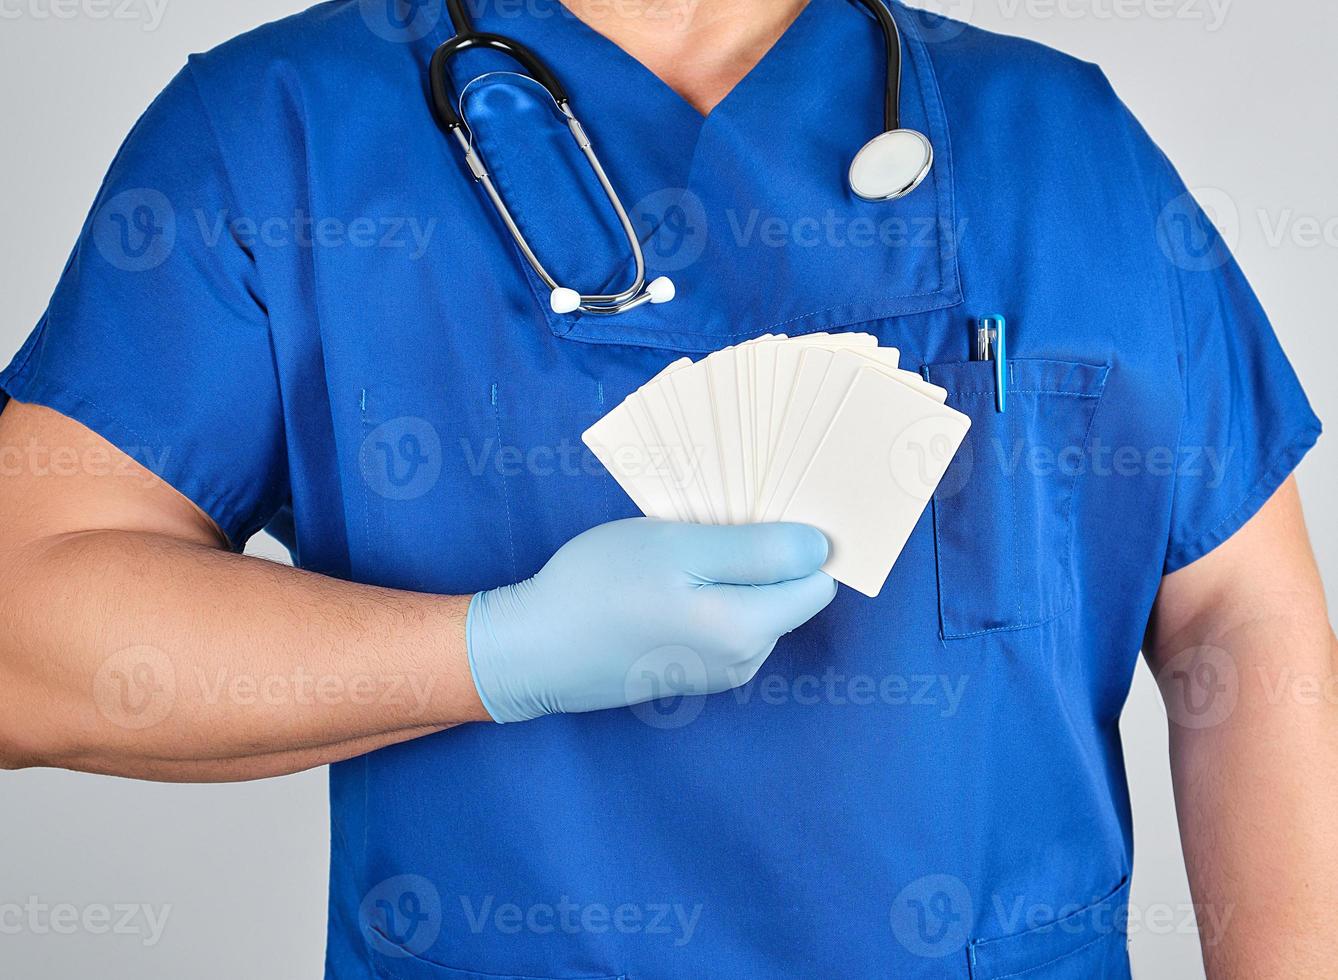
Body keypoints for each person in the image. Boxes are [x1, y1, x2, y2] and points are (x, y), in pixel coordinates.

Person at [0, 0, 1332, 977]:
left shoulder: (1058, 137)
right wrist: (490, 652)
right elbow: (23, 637)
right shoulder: (281, 135)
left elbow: (1239, 617)